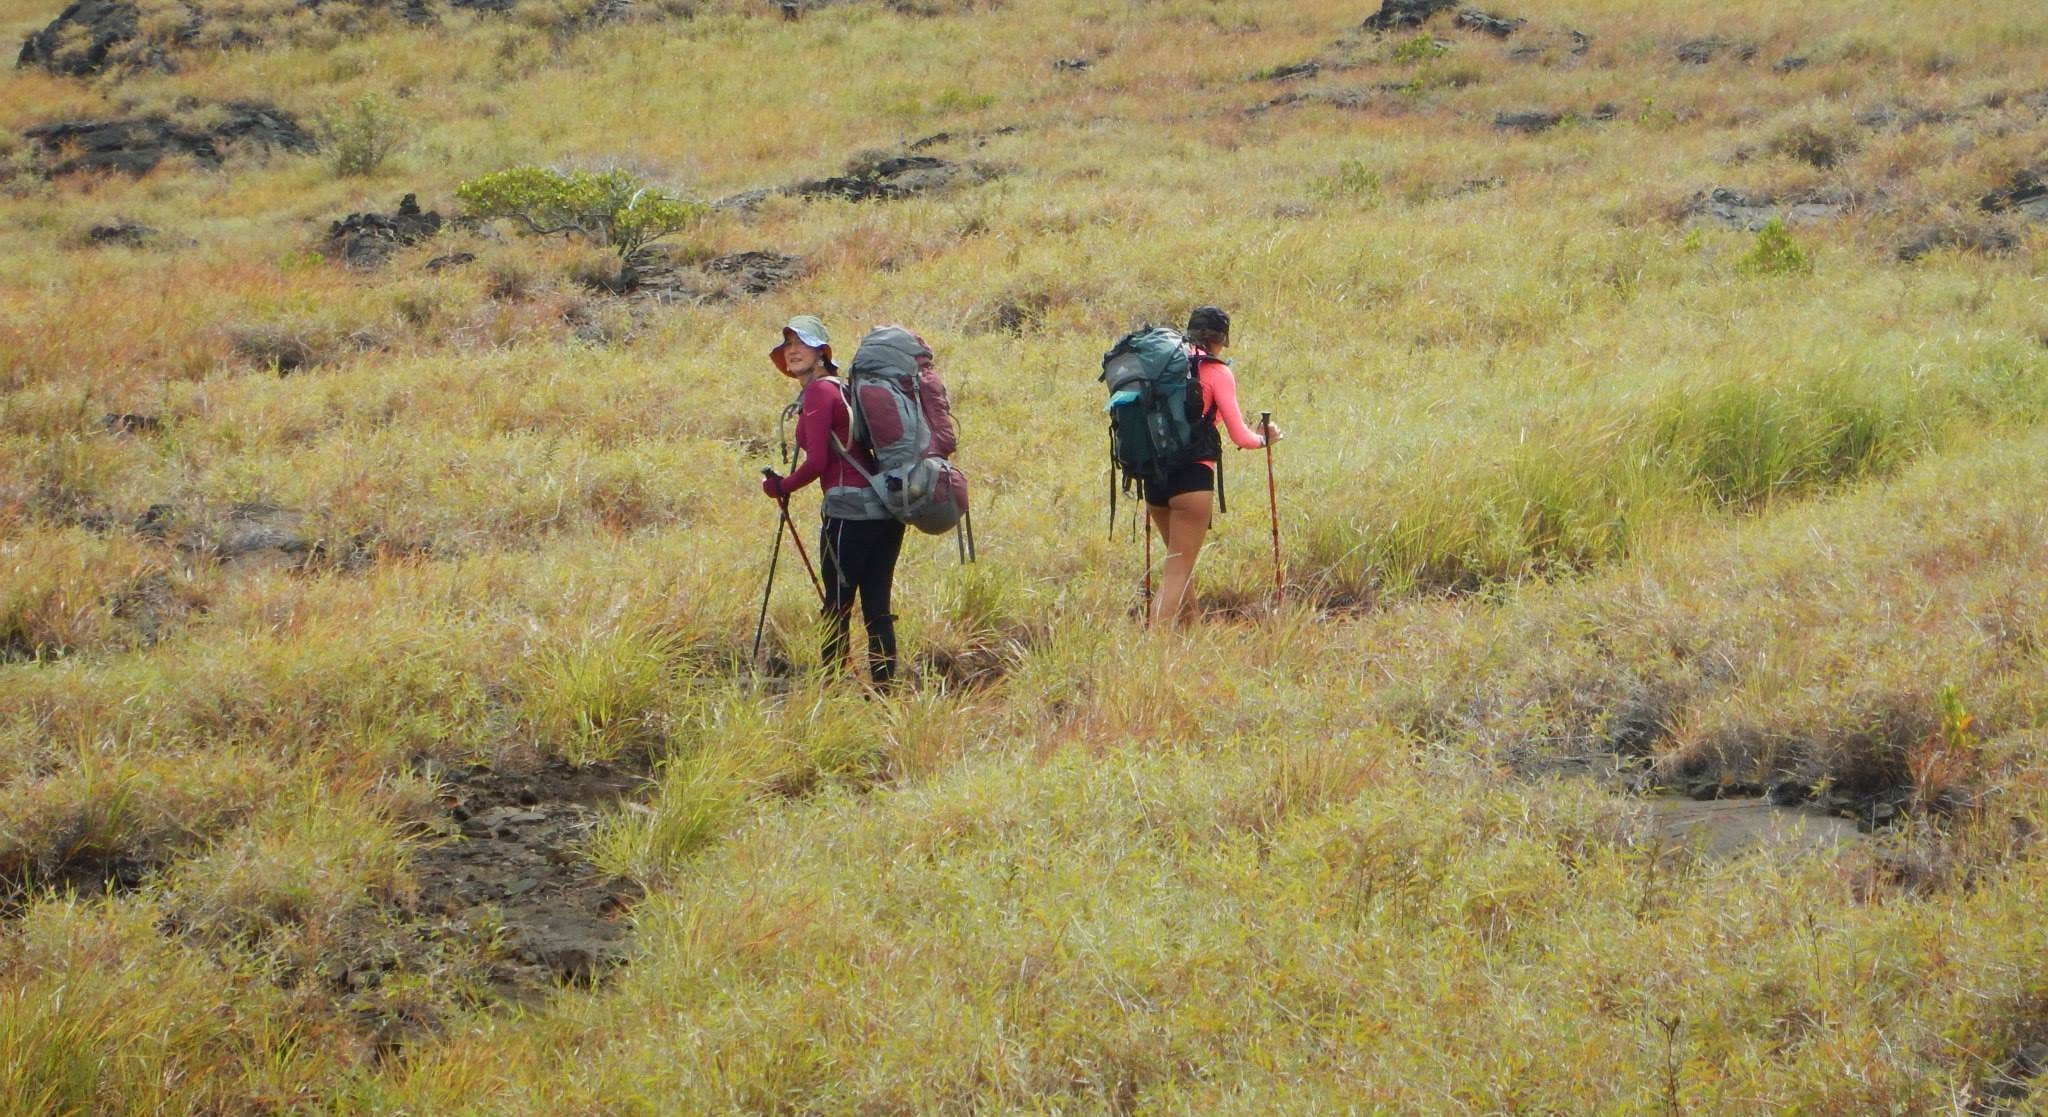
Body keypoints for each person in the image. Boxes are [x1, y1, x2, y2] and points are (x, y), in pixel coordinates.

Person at [760, 315, 907, 689]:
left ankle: (831, 690)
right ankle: (885, 693)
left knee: (837, 605)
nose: (792, 350)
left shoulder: (819, 393)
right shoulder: (842, 389)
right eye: (788, 344)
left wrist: (782, 487)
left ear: (822, 352)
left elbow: (818, 463)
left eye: (801, 344)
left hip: (849, 514)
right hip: (885, 512)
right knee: (877, 606)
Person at [1147, 305, 1282, 626]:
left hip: (1153, 478)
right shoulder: (1217, 371)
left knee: (1180, 561)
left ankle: (1192, 629)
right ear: (1221, 339)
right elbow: (1242, 437)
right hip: (1191, 481)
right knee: (1177, 570)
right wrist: (1266, 438)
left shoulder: (1163, 367)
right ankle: (1154, 646)